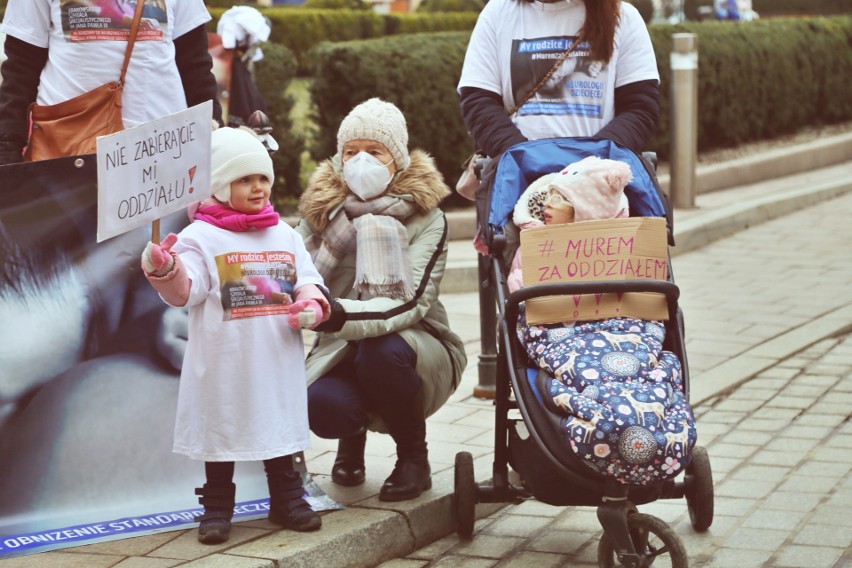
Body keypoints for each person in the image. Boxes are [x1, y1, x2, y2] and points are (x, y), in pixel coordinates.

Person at [140, 127, 329, 544]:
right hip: (225, 361)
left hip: (275, 358)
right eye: (245, 179)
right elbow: (186, 292)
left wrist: (312, 306)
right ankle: (217, 508)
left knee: (276, 425)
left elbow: (308, 281)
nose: (258, 187)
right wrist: (164, 270)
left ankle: (287, 497)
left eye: (263, 177)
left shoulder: (285, 234)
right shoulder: (200, 237)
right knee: (221, 429)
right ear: (221, 185)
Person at [296, 98, 467, 502]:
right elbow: (289, 269)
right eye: (351, 152)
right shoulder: (321, 212)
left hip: (414, 345)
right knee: (322, 407)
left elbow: (411, 305)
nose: (361, 162)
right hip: (338, 343)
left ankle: (413, 459)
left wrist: (336, 314)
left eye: (375, 152)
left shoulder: (427, 218)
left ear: (399, 159)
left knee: (379, 350)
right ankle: (349, 440)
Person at [508, 156, 696, 485]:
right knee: (584, 378)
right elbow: (522, 297)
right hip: (563, 333)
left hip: (627, 328)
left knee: (645, 369)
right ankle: (617, 428)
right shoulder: (536, 245)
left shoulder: (625, 244)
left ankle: (642, 427)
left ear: (586, 209)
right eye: (546, 197)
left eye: (558, 199)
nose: (546, 206)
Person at [0, 0, 222, 165]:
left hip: (163, 153)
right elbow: (21, 70)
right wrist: (6, 147)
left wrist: (217, 134)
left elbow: (195, 67)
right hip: (71, 154)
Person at [457, 0, 660, 160]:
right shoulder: (497, 14)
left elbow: (640, 108)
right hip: (517, 173)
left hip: (599, 180)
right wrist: (524, 157)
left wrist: (593, 162)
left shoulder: (624, 17)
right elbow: (478, 102)